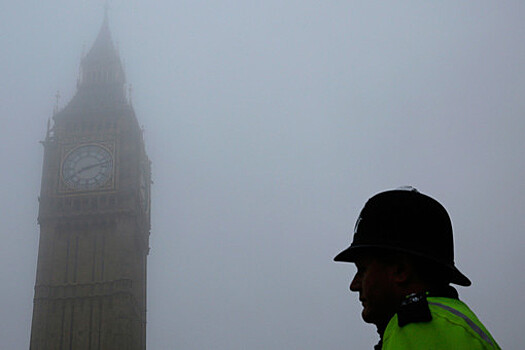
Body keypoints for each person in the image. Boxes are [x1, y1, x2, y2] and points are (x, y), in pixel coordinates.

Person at [334, 187, 501, 349]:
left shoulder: (418, 328)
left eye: (362, 270)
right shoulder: (450, 323)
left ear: (400, 270)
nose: (354, 285)